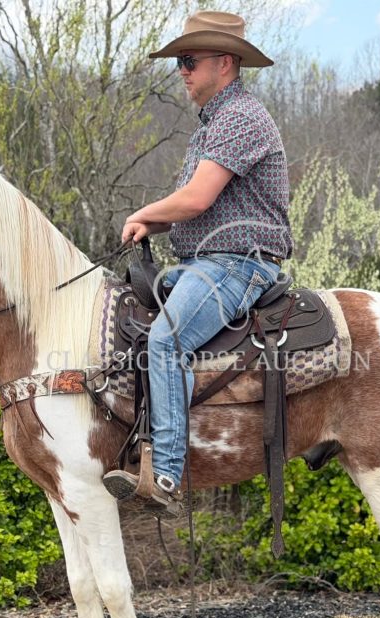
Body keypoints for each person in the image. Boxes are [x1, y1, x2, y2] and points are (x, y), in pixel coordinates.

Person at [102, 11, 292, 514]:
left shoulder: (240, 117)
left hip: (236, 264)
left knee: (167, 339)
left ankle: (165, 474)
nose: (181, 71)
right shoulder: (211, 125)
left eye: (189, 61)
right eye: (180, 62)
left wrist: (145, 212)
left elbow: (198, 199)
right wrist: (157, 224)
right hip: (203, 263)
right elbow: (194, 203)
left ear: (225, 63)